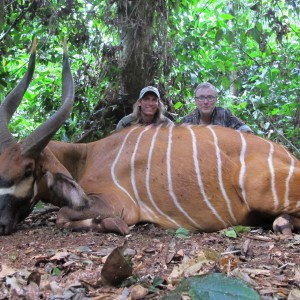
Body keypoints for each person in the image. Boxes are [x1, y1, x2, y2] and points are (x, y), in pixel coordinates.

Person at [180, 82, 253, 133]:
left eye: (210, 97)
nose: (205, 102)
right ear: (195, 100)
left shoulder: (224, 114)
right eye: (201, 98)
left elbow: (245, 129)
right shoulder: (186, 121)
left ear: (216, 99)